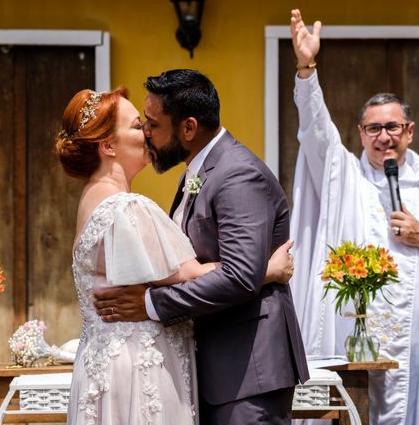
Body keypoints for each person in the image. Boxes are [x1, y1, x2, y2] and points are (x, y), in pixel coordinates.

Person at [55, 86, 296, 424]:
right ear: (108, 146)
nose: (149, 134)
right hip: (139, 368)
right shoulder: (128, 206)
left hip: (104, 364)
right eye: (138, 126)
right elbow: (193, 274)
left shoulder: (90, 200)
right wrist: (268, 269)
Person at [288, 9, 419, 424]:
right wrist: (307, 70)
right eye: (373, 129)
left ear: (409, 131)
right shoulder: (346, 182)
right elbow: (317, 133)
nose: (384, 137)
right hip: (360, 344)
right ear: (360, 134)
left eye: (392, 127)